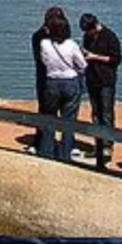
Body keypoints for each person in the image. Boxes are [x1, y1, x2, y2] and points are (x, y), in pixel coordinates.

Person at [38, 14, 87, 161]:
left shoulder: (44, 44)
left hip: (52, 82)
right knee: (69, 121)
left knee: (49, 119)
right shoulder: (72, 45)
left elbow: (44, 61)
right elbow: (83, 64)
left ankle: (46, 152)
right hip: (70, 81)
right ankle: (65, 154)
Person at [79, 13, 122, 161]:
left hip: (106, 80)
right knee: (96, 114)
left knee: (106, 114)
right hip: (92, 79)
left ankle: (107, 146)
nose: (88, 34)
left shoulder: (110, 36)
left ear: (95, 26)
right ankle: (98, 145)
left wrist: (95, 57)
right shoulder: (87, 37)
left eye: (89, 31)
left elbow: (116, 59)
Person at [31, 6, 65, 153]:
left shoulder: (40, 35)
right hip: (46, 77)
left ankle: (44, 142)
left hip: (46, 77)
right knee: (47, 110)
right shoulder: (43, 36)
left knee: (46, 110)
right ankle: (44, 142)